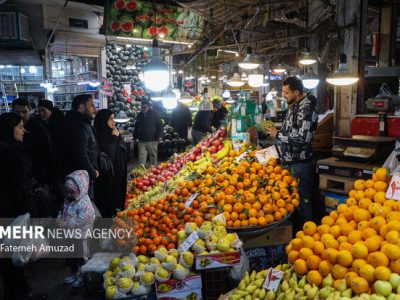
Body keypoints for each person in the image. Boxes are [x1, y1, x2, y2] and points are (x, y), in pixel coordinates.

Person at [0, 113, 47, 300]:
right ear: (8, 129)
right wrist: (28, 213)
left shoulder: (9, 149)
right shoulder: (10, 153)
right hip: (12, 212)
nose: (23, 131)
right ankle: (21, 294)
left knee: (8, 256)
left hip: (7, 211)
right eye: (20, 127)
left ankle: (17, 292)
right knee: (14, 256)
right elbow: (18, 187)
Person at [267, 76, 318, 231]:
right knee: (293, 203)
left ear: (296, 92)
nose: (284, 95)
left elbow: (303, 138)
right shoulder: (294, 105)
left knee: (303, 203)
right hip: (291, 163)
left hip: (301, 164)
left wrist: (278, 135)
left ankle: (307, 236)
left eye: (286, 92)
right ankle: (296, 236)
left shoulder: (306, 108)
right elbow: (292, 130)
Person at [55, 94, 99, 199]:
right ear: (82, 107)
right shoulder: (79, 125)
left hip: (71, 176)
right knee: (82, 209)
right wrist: (93, 172)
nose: (94, 109)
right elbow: (80, 154)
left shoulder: (72, 121)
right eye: (91, 105)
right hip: (79, 179)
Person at [57, 170, 95, 288]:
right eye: (66, 192)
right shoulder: (68, 200)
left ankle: (83, 276)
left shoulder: (85, 204)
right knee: (71, 256)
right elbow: (63, 211)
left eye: (72, 192)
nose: (68, 195)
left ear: (81, 189)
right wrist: (59, 218)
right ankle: (73, 272)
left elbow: (83, 220)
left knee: (82, 257)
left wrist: (67, 223)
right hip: (70, 235)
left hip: (81, 237)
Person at [12, 98, 53, 186]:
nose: (21, 115)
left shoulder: (38, 128)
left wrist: (46, 181)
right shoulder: (9, 127)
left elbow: (47, 154)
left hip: (35, 174)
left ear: (30, 110)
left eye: (24, 111)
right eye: (17, 112)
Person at [94, 109, 127, 217]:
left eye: (114, 118)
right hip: (106, 176)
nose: (114, 122)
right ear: (103, 121)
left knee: (117, 196)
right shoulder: (98, 136)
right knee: (106, 200)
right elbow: (108, 154)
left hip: (118, 171)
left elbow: (123, 149)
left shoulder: (115, 132)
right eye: (110, 119)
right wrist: (114, 138)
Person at [133, 99, 163, 167]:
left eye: (145, 107)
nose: (143, 109)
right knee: (141, 159)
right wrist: (135, 137)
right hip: (142, 140)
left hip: (153, 140)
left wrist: (160, 136)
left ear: (149, 107)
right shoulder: (139, 115)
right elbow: (136, 127)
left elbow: (160, 125)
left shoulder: (155, 114)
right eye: (142, 107)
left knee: (153, 158)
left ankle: (153, 172)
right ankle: (142, 173)